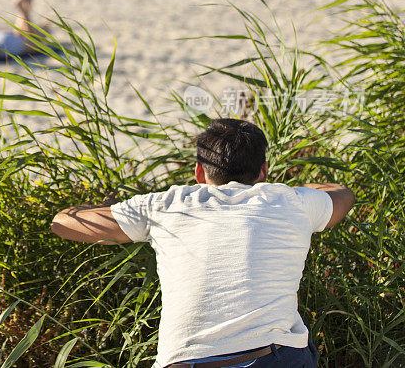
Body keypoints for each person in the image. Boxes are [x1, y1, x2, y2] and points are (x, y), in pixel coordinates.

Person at [52, 118, 355, 368]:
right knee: (298, 341)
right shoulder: (291, 201)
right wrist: (297, 191)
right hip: (272, 359)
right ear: (263, 171)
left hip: (185, 363)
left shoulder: (164, 205)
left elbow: (64, 223)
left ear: (199, 172)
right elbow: (342, 195)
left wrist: (111, 207)